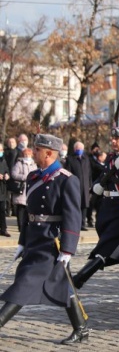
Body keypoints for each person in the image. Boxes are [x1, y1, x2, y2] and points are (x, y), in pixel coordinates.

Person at [0, 134, 89, 344]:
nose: (33, 152)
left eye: (37, 150)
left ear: (48, 153)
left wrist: (68, 250)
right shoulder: (34, 177)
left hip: (52, 241)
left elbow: (72, 216)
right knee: (62, 283)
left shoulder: (67, 179)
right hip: (34, 238)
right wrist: (22, 241)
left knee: (25, 281)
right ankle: (81, 328)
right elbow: (30, 214)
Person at [71, 127, 119, 291]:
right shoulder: (111, 158)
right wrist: (97, 185)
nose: (113, 141)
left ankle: (80, 278)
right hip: (108, 210)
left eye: (117, 138)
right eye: (113, 138)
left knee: (107, 247)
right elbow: (104, 176)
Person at [65, 142, 92, 231]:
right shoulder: (70, 159)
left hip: (85, 185)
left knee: (84, 205)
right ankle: (75, 224)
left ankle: (82, 224)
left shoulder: (86, 158)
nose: (79, 150)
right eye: (77, 148)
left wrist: (90, 184)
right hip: (75, 186)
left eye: (81, 148)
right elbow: (67, 172)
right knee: (76, 205)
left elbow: (89, 172)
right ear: (74, 149)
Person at [10, 148, 37, 232]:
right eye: (25, 155)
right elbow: (14, 174)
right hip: (21, 189)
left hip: (31, 188)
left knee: (28, 209)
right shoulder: (19, 163)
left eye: (29, 155)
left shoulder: (33, 164)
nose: (27, 156)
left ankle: (27, 225)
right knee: (21, 209)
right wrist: (24, 177)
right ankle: (20, 226)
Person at [0, 144, 9, 237]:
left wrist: (7, 175)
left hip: (2, 189)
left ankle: (3, 229)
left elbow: (7, 169)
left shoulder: (3, 160)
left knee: (2, 210)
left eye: (1, 150)